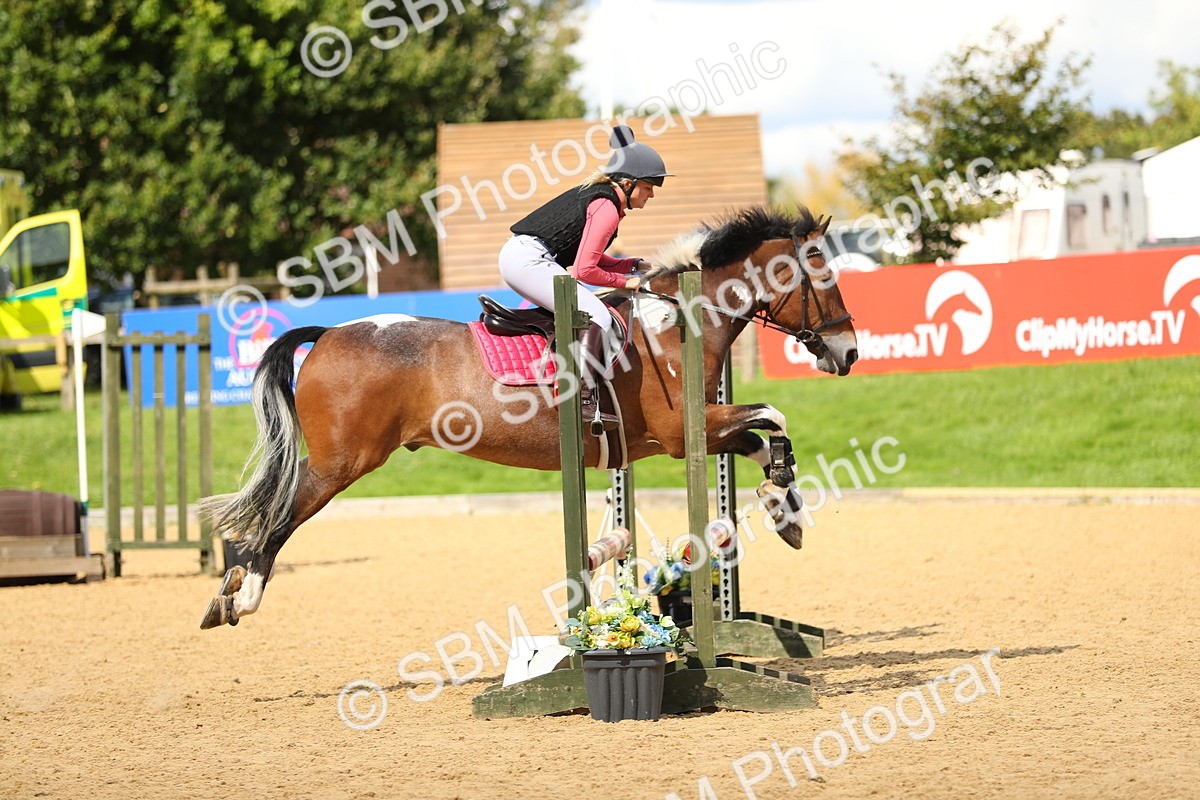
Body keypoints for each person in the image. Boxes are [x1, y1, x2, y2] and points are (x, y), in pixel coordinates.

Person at [499, 124, 672, 435]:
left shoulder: (605, 201)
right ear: (628, 183)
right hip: (527, 259)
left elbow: (589, 257)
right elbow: (584, 271)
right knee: (600, 316)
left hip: (523, 256)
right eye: (649, 187)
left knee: (592, 311)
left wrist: (630, 264)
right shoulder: (606, 207)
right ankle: (581, 396)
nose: (651, 195)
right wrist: (629, 283)